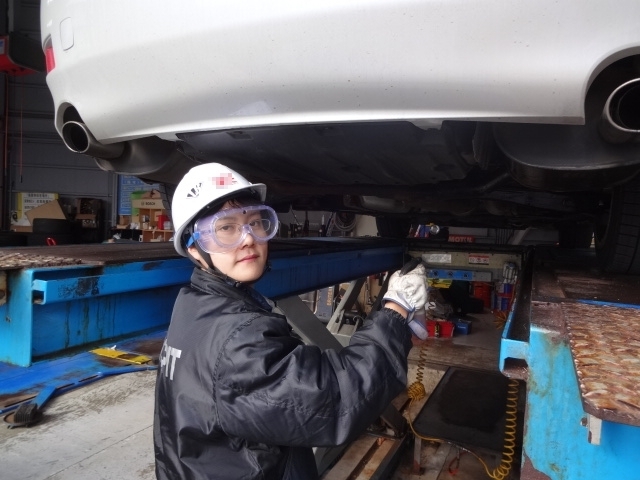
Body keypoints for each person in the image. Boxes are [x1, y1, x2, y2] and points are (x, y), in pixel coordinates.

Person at [153, 163, 428, 480]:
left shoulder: (192, 306)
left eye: (257, 222)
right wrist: (396, 310)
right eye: (225, 228)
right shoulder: (237, 341)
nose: (248, 239)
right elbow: (339, 400)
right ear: (194, 247)